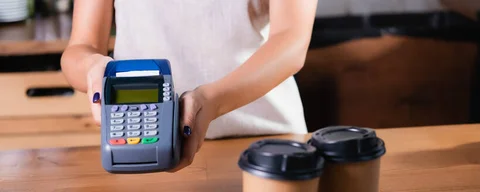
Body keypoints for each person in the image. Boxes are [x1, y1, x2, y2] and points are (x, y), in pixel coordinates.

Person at [60, 0, 318, 172]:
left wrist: (212, 100)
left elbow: (291, 41)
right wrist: (93, 67)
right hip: (143, 150)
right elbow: (80, 48)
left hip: (265, 145)